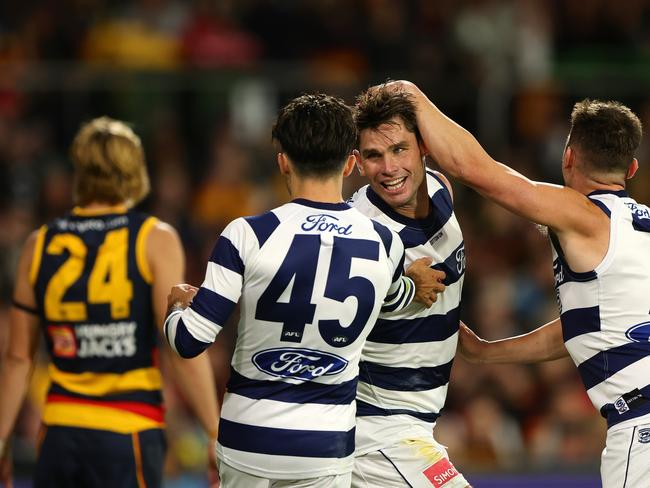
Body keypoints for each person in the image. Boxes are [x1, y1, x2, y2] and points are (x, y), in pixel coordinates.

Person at [163, 93, 441, 488]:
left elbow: (189, 341)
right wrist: (412, 283)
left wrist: (176, 307)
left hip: (248, 440)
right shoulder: (385, 242)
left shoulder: (246, 234)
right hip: (325, 447)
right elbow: (391, 299)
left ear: (282, 162)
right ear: (350, 164)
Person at [393, 80, 650, 488]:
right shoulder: (640, 232)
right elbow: (587, 329)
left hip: (640, 427)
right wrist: (487, 353)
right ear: (632, 168)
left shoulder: (585, 216)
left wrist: (411, 95)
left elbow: (477, 172)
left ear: (568, 158)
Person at [0, 117, 219, 488]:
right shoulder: (155, 239)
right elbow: (177, 344)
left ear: (79, 172)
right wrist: (214, 433)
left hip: (60, 432)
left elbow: (19, 356)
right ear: (135, 170)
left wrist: (1, 440)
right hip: (128, 431)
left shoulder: (39, 244)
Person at [347, 85, 471, 488]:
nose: (388, 167)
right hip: (377, 428)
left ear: (423, 148)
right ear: (358, 163)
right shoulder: (359, 232)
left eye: (399, 149)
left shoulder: (440, 189)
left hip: (415, 422)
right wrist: (395, 286)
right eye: (373, 155)